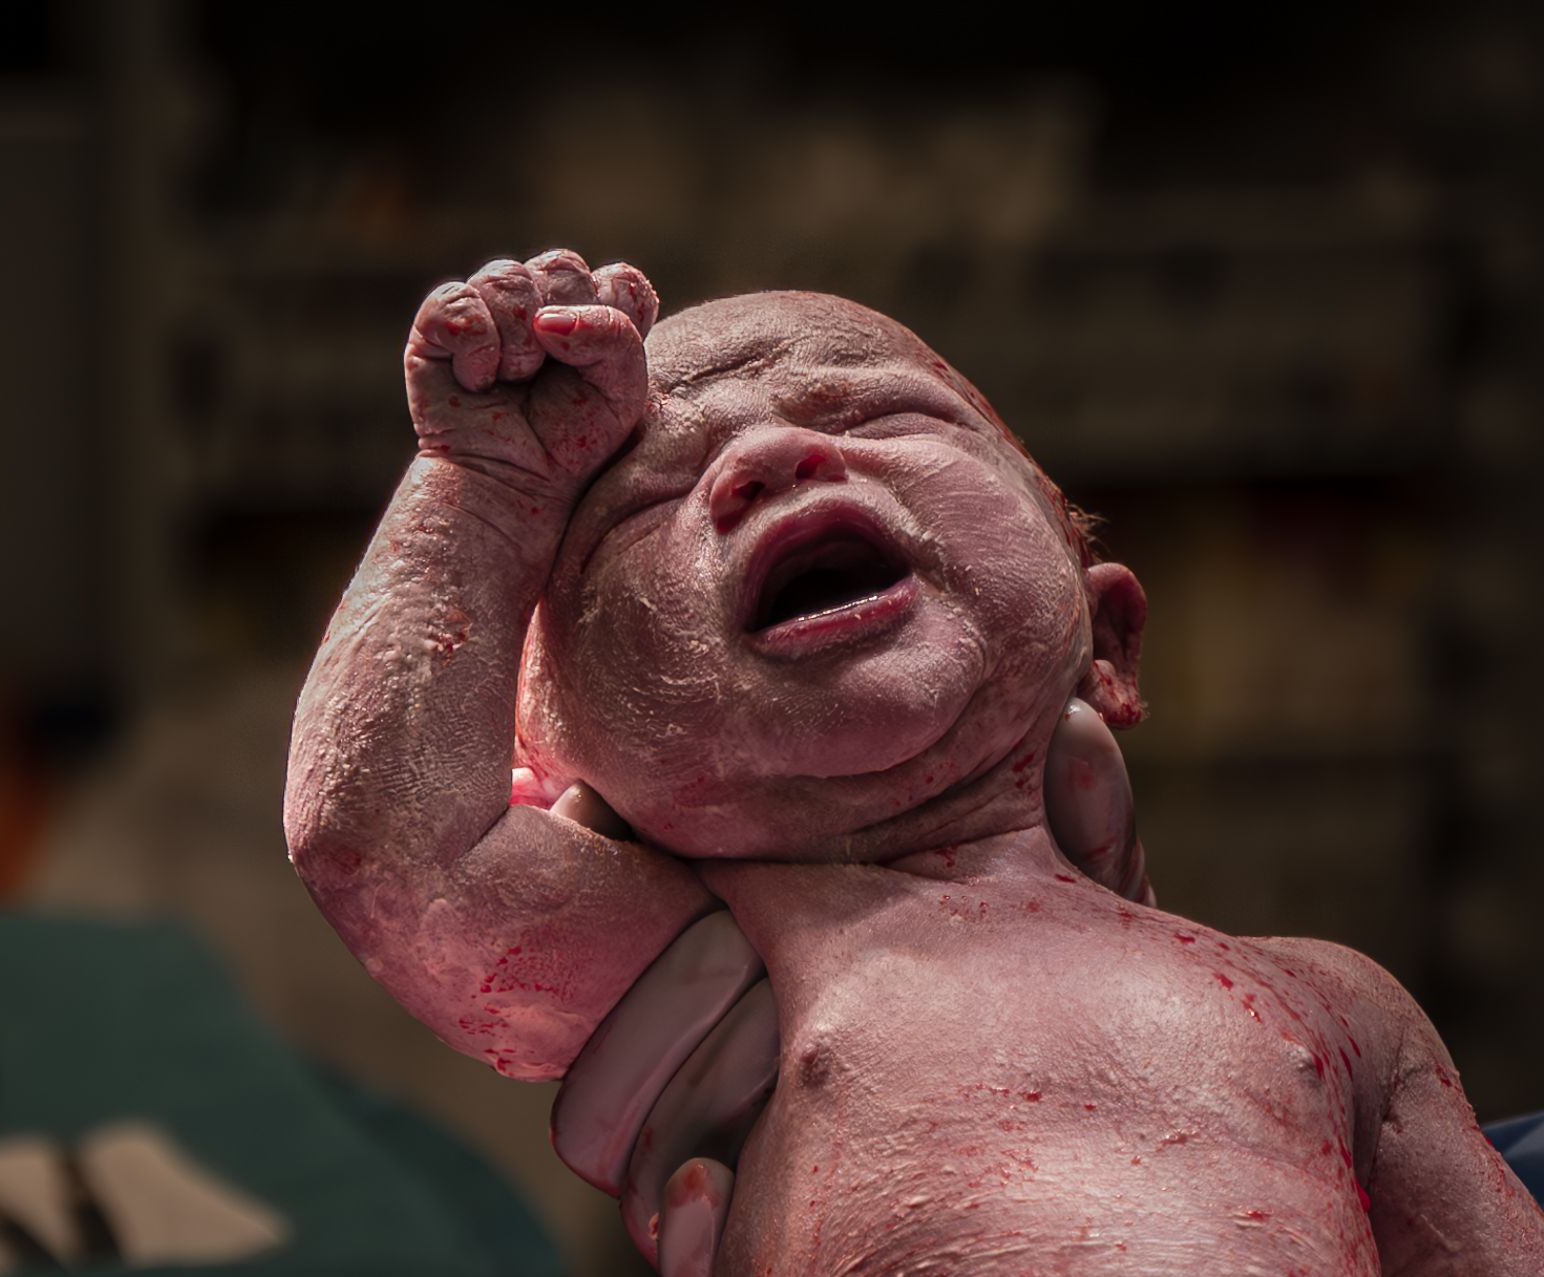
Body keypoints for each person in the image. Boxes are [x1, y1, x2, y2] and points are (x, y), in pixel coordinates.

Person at [285, 252, 1544, 1274]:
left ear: (1106, 634)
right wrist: (486, 484)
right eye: (640, 509)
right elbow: (386, 849)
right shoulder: (730, 955)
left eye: (868, 415)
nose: (770, 461)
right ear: (557, 783)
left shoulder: (1338, 998)